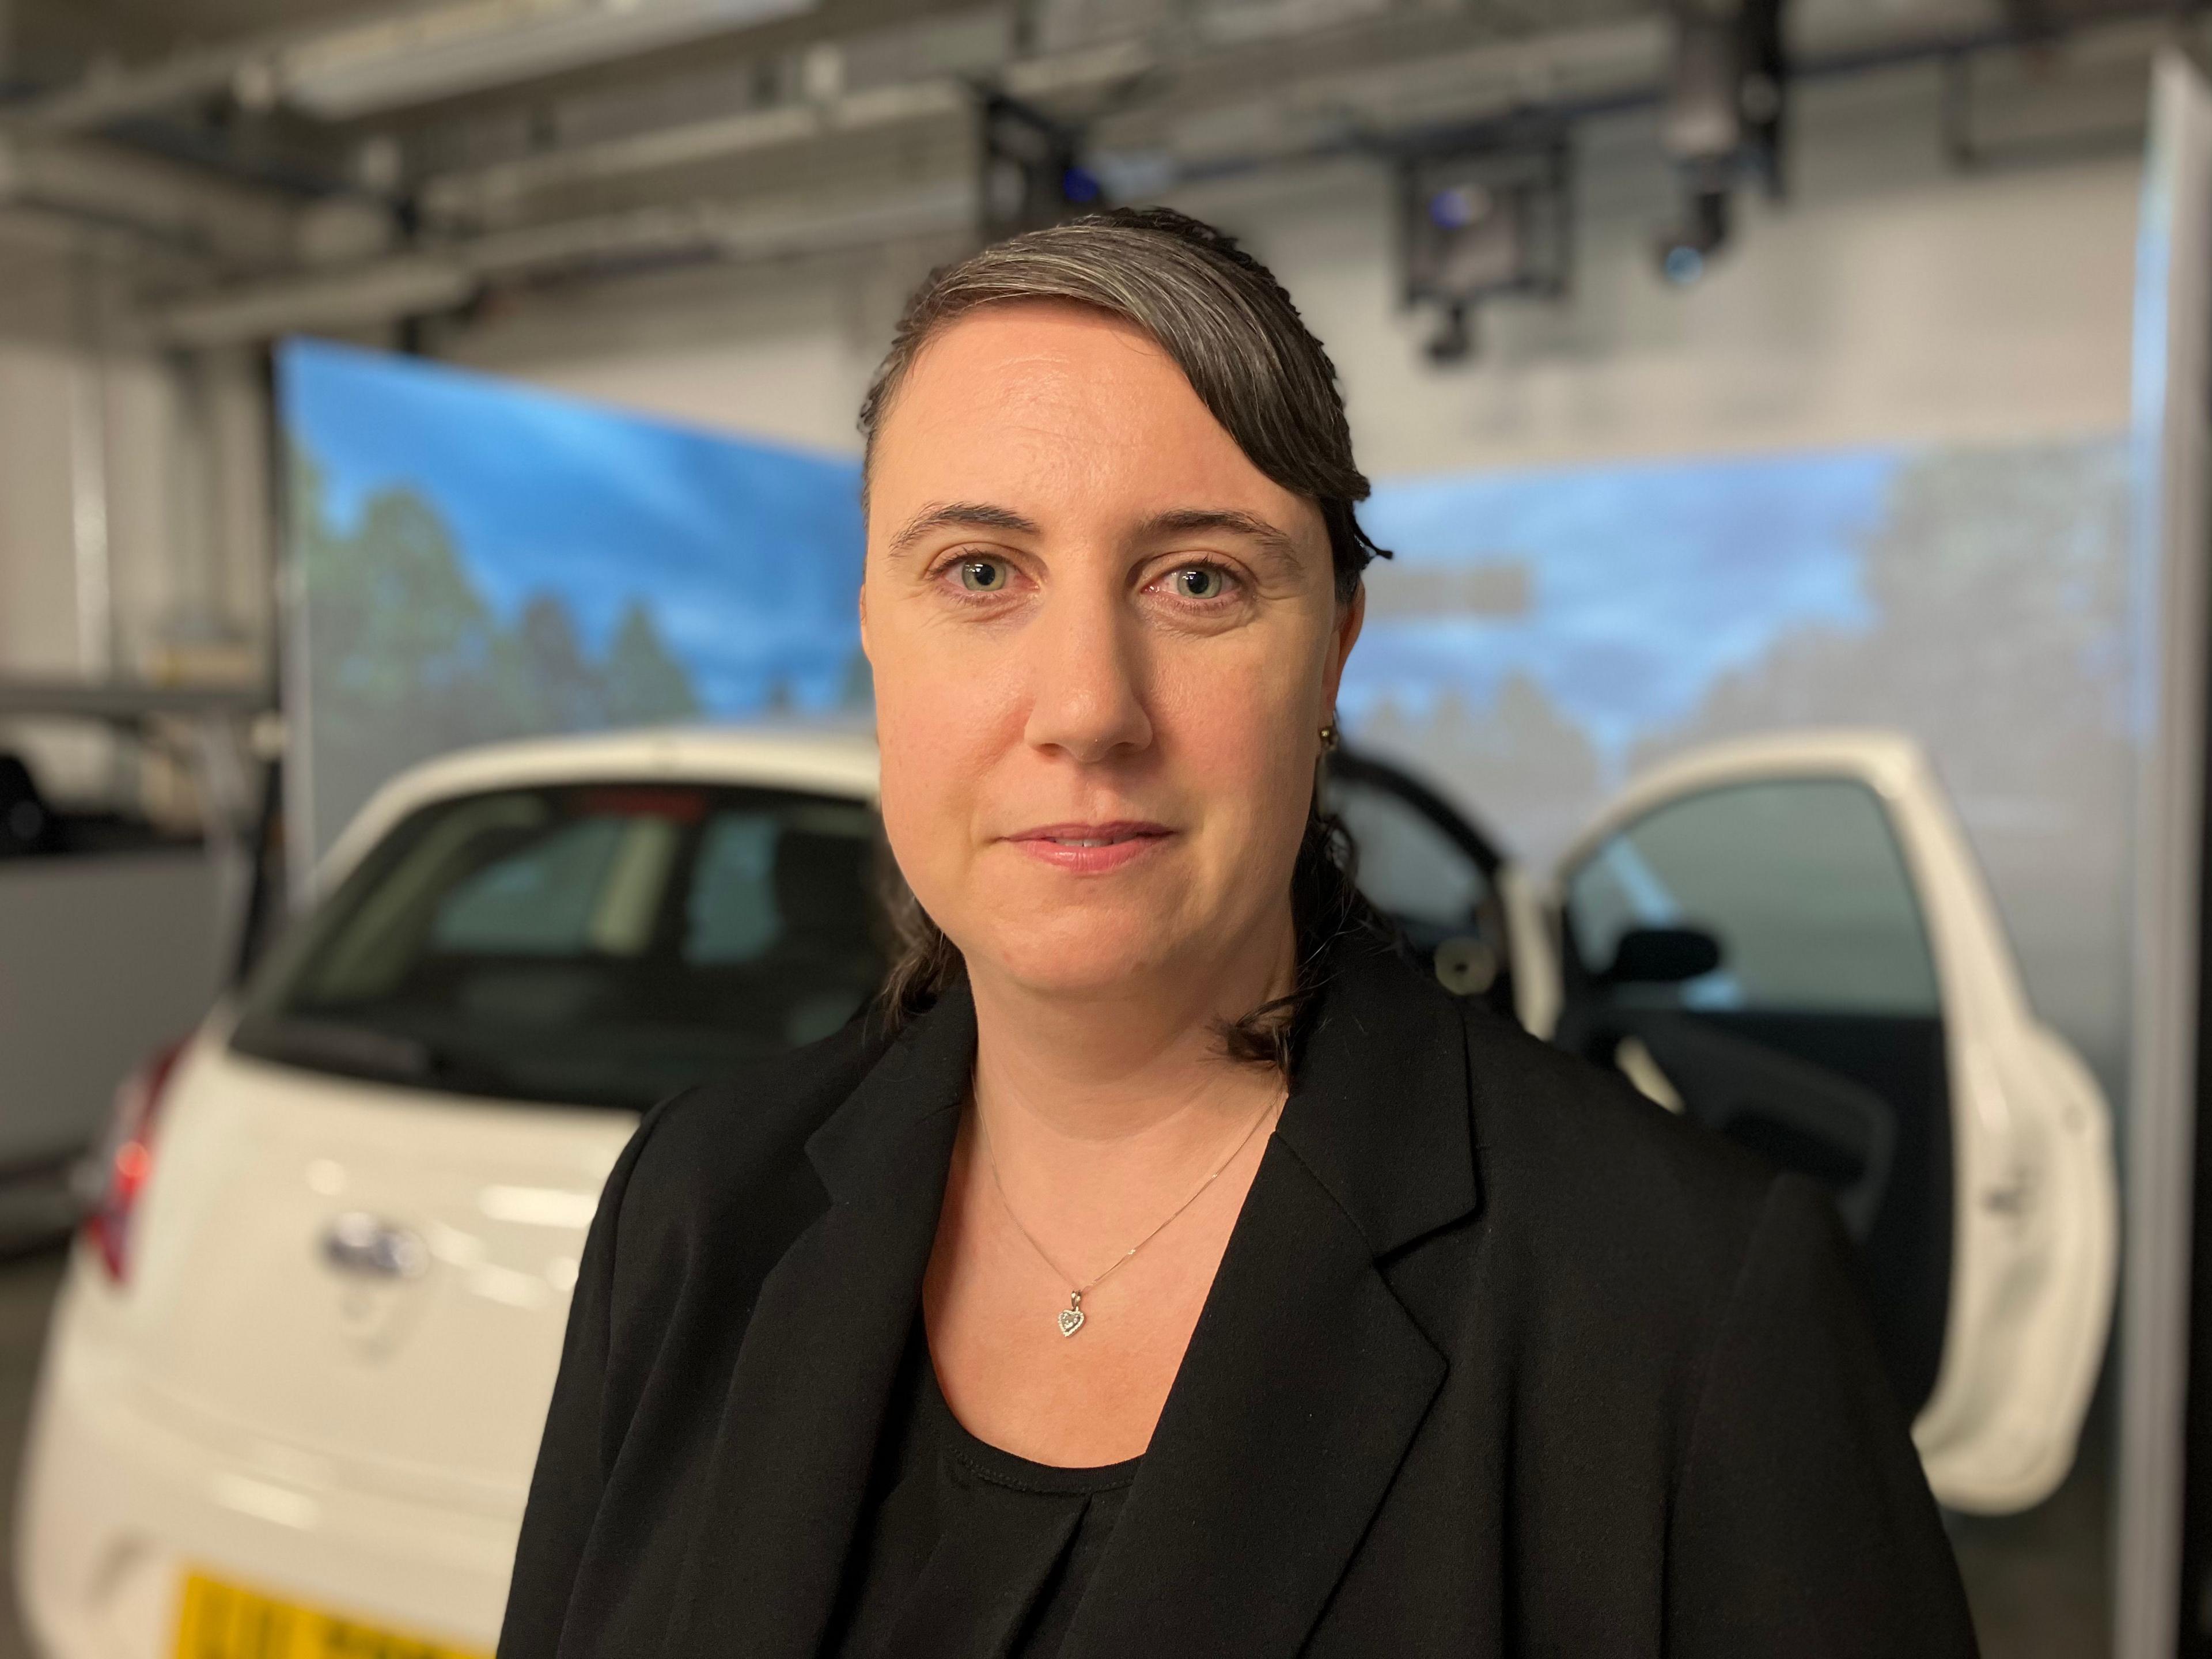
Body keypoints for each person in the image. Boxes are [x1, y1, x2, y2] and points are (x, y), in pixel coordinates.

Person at [497, 207, 1977, 1658]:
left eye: (1198, 578)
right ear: (875, 631)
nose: (1087, 708)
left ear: (1332, 645)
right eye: (981, 574)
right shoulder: (695, 1210)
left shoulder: (1687, 1311)